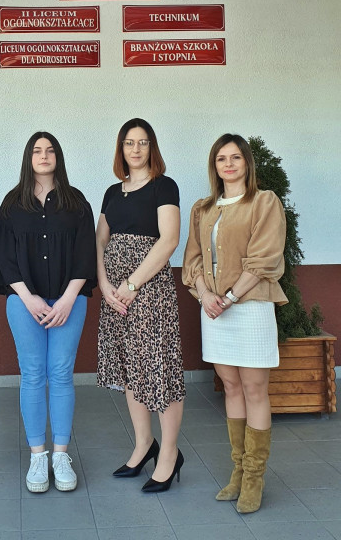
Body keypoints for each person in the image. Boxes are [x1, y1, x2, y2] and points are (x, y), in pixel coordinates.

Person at [182, 133, 287, 514]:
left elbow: (264, 259)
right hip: (213, 309)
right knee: (230, 387)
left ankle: (255, 477)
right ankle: (238, 472)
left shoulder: (263, 202)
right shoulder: (203, 209)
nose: (228, 164)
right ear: (214, 166)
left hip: (250, 307)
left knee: (255, 389)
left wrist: (227, 297)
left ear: (247, 163)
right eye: (221, 158)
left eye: (235, 157)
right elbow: (193, 260)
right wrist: (205, 296)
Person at [0, 132, 96, 493]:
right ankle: (38, 456)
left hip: (70, 300)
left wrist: (67, 299)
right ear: (28, 157)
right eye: (37, 150)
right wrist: (29, 297)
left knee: (62, 374)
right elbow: (3, 258)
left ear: (58, 157)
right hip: (24, 302)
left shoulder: (76, 203)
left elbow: (86, 254)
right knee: (33, 374)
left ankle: (60, 456)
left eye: (50, 150)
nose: (44, 155)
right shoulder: (11, 205)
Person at [97, 118, 185, 493]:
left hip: (149, 291)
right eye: (129, 143)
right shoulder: (112, 193)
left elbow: (169, 240)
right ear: (121, 148)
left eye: (143, 142)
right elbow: (100, 242)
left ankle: (169, 454)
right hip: (115, 295)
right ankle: (143, 444)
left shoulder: (164, 186)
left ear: (152, 147)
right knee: (131, 369)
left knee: (159, 368)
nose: (136, 149)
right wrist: (105, 285)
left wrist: (132, 284)